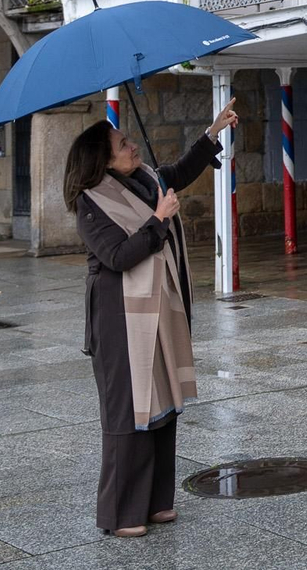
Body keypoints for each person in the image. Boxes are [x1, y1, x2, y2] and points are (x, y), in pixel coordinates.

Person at [64, 99, 238, 537]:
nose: (132, 146)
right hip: (119, 321)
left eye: (128, 140)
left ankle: (156, 502)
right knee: (129, 413)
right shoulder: (90, 203)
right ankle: (122, 514)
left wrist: (211, 132)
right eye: (123, 144)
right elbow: (117, 256)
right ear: (102, 160)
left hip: (158, 312)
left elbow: (176, 174)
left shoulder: (141, 179)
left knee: (163, 405)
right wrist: (159, 222)